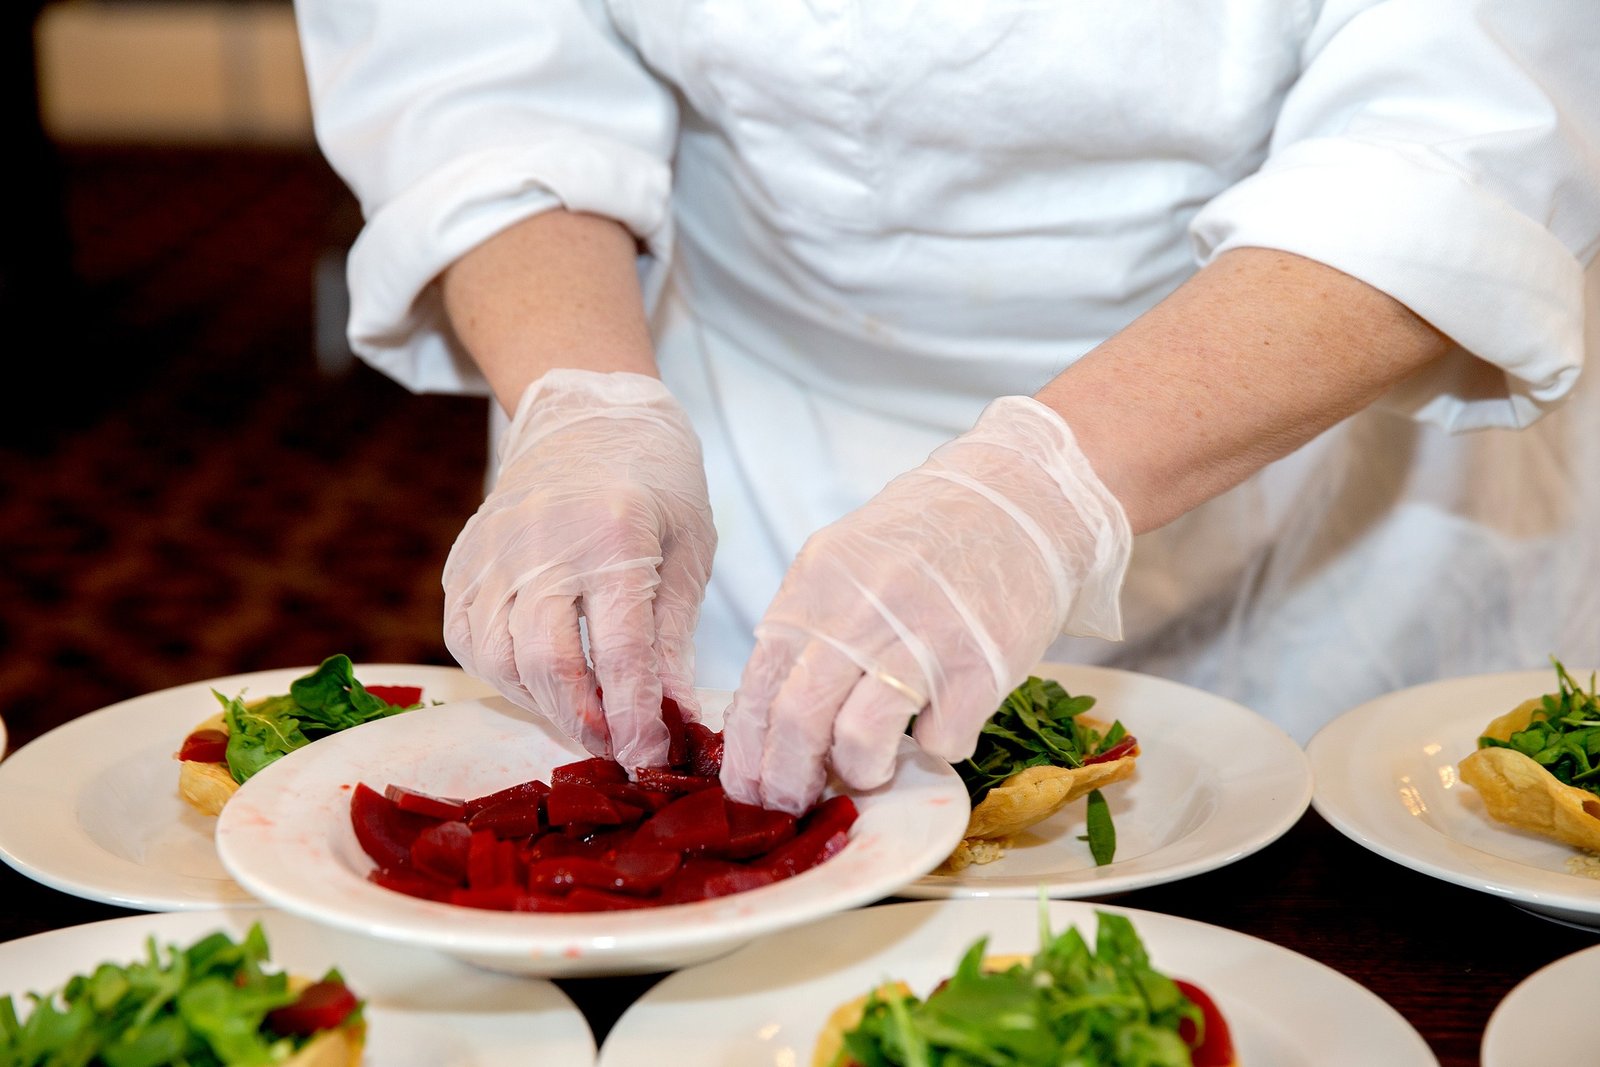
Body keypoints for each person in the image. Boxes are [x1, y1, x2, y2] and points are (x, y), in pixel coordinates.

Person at [294, 2, 1600, 814]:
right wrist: (585, 402)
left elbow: (1460, 141)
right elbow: (479, 60)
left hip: (1306, 416)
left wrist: (1040, 488)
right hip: (745, 420)